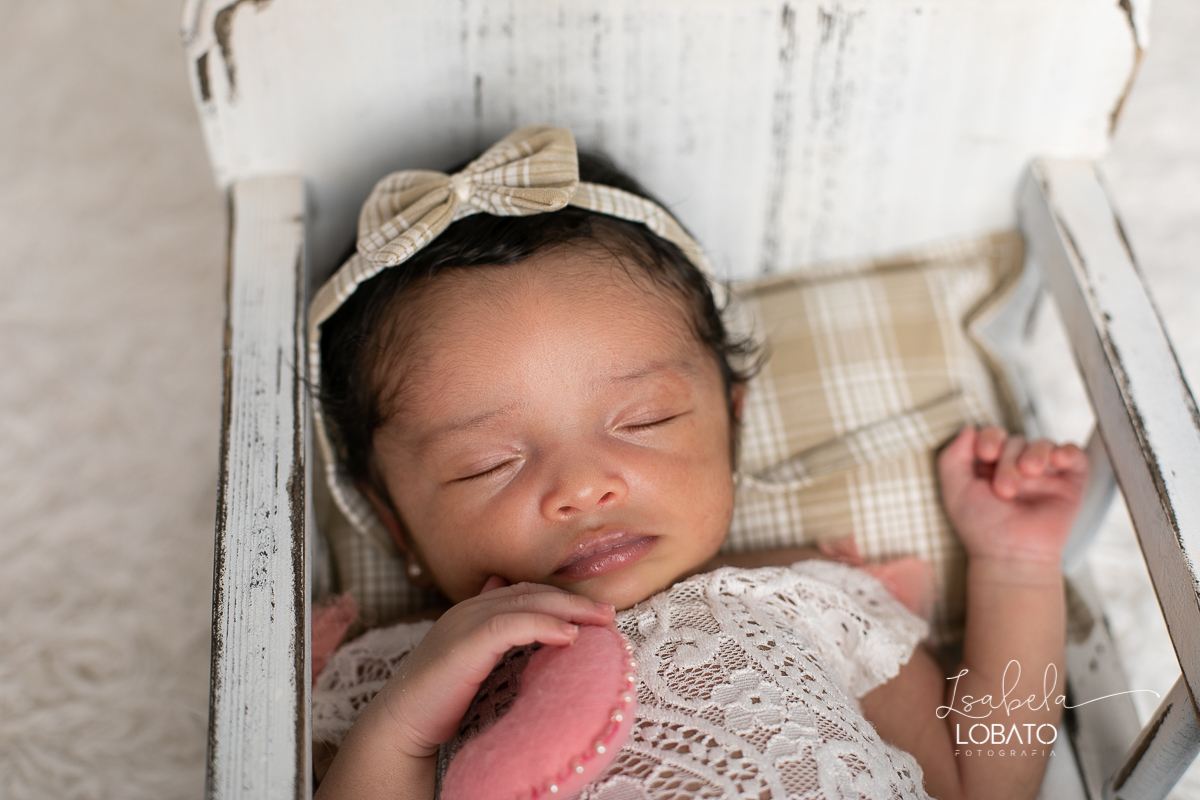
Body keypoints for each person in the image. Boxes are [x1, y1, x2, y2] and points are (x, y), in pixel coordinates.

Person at [308, 127, 1088, 800]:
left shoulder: (803, 603)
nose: (582, 487)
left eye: (643, 420)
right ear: (396, 527)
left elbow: (980, 781)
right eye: (487, 464)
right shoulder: (401, 676)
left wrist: (1016, 566)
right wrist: (404, 728)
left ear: (732, 423)